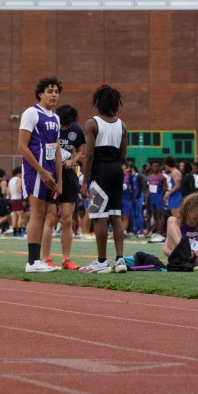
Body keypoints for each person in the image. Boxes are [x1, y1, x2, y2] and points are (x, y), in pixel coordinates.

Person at [79, 85, 129, 274]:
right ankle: (120, 259)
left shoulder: (92, 123)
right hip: (117, 170)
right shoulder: (122, 125)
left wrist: (85, 181)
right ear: (116, 103)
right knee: (115, 215)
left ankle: (101, 261)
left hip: (101, 171)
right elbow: (123, 155)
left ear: (98, 102)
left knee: (99, 216)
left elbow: (89, 154)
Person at [19, 76, 63, 274]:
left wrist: (59, 180)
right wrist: (41, 170)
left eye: (56, 92)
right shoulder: (31, 113)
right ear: (40, 93)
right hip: (35, 169)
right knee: (37, 212)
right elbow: (22, 146)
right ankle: (32, 261)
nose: (54, 95)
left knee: (44, 213)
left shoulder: (56, 118)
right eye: (50, 91)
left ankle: (37, 260)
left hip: (49, 171)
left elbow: (57, 149)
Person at [47, 103, 84, 270]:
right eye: (62, 124)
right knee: (50, 218)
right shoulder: (50, 127)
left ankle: (66, 259)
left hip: (69, 176)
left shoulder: (77, 131)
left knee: (67, 219)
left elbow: (80, 151)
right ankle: (45, 259)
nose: (63, 128)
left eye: (66, 125)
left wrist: (72, 161)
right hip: (50, 175)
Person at [162, 156, 183, 220]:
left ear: (166, 165)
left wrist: (168, 194)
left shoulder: (175, 172)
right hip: (173, 196)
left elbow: (177, 185)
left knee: (176, 217)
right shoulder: (173, 172)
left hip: (176, 197)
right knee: (174, 216)